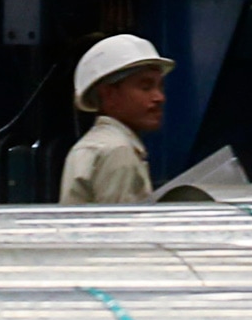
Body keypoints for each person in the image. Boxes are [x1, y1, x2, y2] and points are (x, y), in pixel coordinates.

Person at [59, 32, 173, 205]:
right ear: (109, 95)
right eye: (145, 87)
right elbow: (121, 222)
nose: (159, 97)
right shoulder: (118, 151)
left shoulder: (90, 146)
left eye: (160, 87)